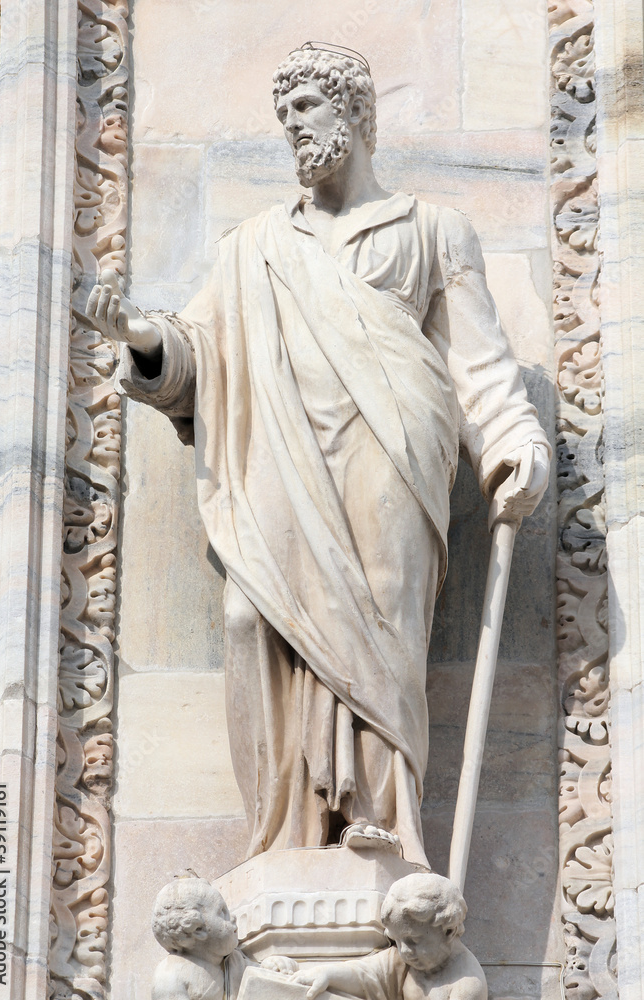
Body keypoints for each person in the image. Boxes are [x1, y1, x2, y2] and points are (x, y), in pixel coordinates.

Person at [86, 44, 550, 867]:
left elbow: (476, 365)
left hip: (390, 461)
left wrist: (513, 444)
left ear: (356, 112)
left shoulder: (433, 231)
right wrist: (141, 337)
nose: (293, 124)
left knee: (380, 627)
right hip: (277, 463)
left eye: (307, 105)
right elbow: (199, 350)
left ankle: (383, 827)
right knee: (247, 618)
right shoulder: (252, 247)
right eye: (285, 111)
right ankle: (281, 835)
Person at [290, 872, 487, 1000]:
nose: (404, 950)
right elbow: (365, 974)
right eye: (396, 940)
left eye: (413, 940)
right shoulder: (406, 961)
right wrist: (327, 974)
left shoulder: (466, 988)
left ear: (449, 931)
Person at [150, 875, 294, 1000]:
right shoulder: (170, 976)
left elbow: (261, 977)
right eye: (222, 912)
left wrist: (272, 965)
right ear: (198, 930)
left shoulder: (234, 961)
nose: (233, 917)